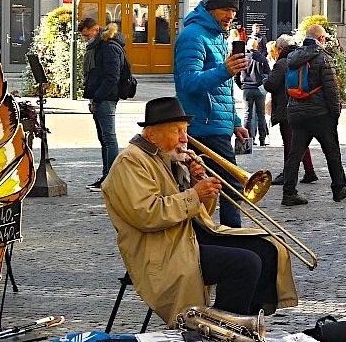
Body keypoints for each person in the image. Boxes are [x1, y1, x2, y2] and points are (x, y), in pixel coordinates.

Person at [101, 97, 297, 327]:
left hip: (188, 235)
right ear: (152, 135)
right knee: (246, 263)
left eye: (184, 130)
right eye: (176, 131)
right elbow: (148, 214)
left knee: (268, 247)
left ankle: (246, 323)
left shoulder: (167, 157)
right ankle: (218, 329)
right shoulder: (131, 162)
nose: (185, 138)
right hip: (161, 248)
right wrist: (194, 193)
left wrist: (199, 185)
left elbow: (200, 214)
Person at [174, 0, 251, 227]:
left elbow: (223, 89)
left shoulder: (216, 35)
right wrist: (224, 70)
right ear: (211, 8)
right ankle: (233, 238)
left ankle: (217, 236)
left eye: (234, 11)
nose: (230, 16)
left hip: (216, 124)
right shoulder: (193, 36)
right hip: (203, 126)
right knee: (230, 186)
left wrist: (235, 122)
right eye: (225, 10)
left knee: (217, 186)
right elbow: (189, 83)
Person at [265, 23, 346, 206]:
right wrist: (335, 114)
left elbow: (286, 88)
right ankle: (339, 187)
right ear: (321, 39)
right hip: (320, 114)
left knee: (295, 154)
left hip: (297, 114)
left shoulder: (291, 58)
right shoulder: (323, 58)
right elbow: (332, 91)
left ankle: (289, 193)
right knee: (332, 151)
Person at [265, 34, 318, 186]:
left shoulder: (283, 62)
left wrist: (265, 80)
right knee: (300, 141)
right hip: (304, 105)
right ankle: (309, 171)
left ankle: (288, 175)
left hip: (286, 108)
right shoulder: (303, 58)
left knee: (289, 143)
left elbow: (271, 84)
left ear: (281, 48)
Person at [80, 17, 123, 191]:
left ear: (96, 29)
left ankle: (112, 178)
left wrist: (97, 96)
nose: (85, 38)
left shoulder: (108, 47)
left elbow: (112, 77)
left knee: (109, 138)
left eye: (86, 34)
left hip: (106, 97)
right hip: (99, 97)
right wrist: (93, 98)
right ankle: (107, 177)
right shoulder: (98, 46)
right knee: (104, 138)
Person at [236, 39, 272, 147]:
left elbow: (236, 75)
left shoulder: (243, 58)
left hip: (247, 88)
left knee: (247, 114)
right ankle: (262, 139)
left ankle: (247, 140)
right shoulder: (262, 58)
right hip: (259, 88)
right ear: (257, 46)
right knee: (261, 115)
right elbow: (268, 74)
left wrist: (241, 85)